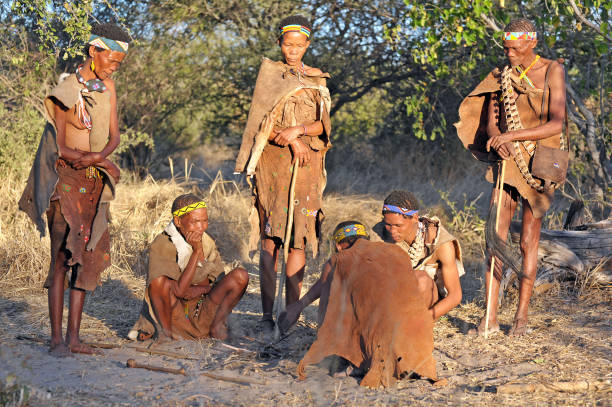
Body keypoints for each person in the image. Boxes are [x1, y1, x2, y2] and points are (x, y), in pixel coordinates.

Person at [19, 23, 130, 356]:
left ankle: (75, 338)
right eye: (111, 59)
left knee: (86, 259)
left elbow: (114, 137)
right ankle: (56, 340)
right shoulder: (67, 89)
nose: (114, 67)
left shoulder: (107, 88)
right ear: (94, 51)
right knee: (61, 260)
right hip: (65, 182)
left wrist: (100, 159)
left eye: (119, 64)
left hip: (93, 183)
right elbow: (61, 146)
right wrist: (96, 161)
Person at [455, 18, 567, 336]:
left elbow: (557, 123)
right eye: (506, 48)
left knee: (529, 241)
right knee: (495, 237)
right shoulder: (501, 74)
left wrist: (513, 136)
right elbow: (492, 119)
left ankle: (520, 319)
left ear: (532, 42)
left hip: (541, 161)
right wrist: (495, 137)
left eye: (516, 48)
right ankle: (489, 318)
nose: (510, 54)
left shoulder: (551, 70)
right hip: (507, 163)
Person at [233, 15, 332, 332]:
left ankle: (291, 314)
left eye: (298, 45)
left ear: (307, 45)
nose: (292, 50)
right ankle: (265, 315)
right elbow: (260, 125)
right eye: (287, 44)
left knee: (298, 238)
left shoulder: (317, 79)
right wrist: (289, 141)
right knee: (270, 238)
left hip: (305, 170)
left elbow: (323, 125)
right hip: (273, 167)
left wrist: (298, 132)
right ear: (280, 44)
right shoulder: (270, 75)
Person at [297, 221, 438, 388]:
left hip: (372, 344)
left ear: (338, 246)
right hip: (411, 344)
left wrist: (324, 341)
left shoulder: (339, 260)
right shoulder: (395, 252)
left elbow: (326, 300)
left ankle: (357, 363)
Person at [128, 194, 249, 342]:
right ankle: (166, 334)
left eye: (205, 221)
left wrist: (201, 289)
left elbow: (216, 283)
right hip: (177, 320)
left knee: (240, 276)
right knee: (159, 283)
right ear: (178, 221)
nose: (201, 227)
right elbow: (178, 291)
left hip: (204, 311)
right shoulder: (162, 244)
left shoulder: (207, 242)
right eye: (195, 221)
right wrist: (196, 252)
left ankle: (216, 327)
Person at [372, 191, 464, 320]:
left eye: (398, 225)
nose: (392, 231)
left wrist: (424, 320)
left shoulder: (440, 242)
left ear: (415, 217)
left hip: (424, 303)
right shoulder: (379, 233)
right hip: (390, 299)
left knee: (421, 279)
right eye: (388, 225)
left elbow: (455, 296)